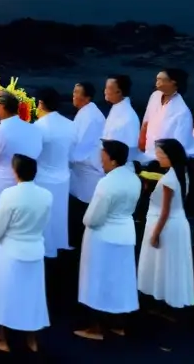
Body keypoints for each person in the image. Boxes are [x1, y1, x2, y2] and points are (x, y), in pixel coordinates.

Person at [75, 139, 142, 340]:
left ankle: (96, 327)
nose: (100, 161)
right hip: (125, 234)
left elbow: (93, 217)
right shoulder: (134, 179)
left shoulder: (107, 183)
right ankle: (118, 324)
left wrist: (86, 220)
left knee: (97, 281)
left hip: (102, 237)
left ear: (113, 161)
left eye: (103, 158)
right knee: (121, 281)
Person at [0, 154, 53, 354]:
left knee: (7, 294)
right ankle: (31, 339)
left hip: (11, 252)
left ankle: (3, 338)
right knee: (33, 295)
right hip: (34, 250)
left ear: (15, 172)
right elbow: (44, 223)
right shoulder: (46, 195)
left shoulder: (9, 195)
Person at [0, 92, 42, 264]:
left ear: (1, 107)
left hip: (1, 179)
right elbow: (36, 153)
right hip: (28, 179)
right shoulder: (33, 129)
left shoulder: (0, 131)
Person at [137, 139, 194, 310]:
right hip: (178, 225)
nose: (158, 158)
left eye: (161, 155)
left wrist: (155, 234)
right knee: (172, 265)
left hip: (167, 226)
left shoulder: (169, 179)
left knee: (163, 264)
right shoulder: (181, 173)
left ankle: (162, 299)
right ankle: (168, 298)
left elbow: (165, 211)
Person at [32, 87, 76, 258]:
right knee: (59, 213)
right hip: (63, 176)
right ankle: (59, 243)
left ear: (41, 104)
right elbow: (71, 152)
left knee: (44, 216)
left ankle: (47, 248)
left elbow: (34, 153)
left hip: (43, 178)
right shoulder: (70, 125)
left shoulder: (39, 126)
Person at [137, 69, 194, 163]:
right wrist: (141, 144)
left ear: (173, 82)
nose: (157, 82)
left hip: (164, 159)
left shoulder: (182, 112)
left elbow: (180, 144)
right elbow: (146, 122)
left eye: (160, 79)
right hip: (147, 153)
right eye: (157, 79)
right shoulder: (155, 96)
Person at [69, 83, 106, 226]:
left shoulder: (90, 116)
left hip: (89, 168)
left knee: (84, 206)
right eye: (74, 91)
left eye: (77, 92)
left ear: (86, 97)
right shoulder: (86, 112)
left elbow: (80, 144)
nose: (74, 95)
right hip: (84, 167)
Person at [102, 75, 139, 163]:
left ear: (119, 92)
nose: (105, 91)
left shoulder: (128, 117)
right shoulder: (117, 107)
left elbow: (130, 148)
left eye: (108, 88)